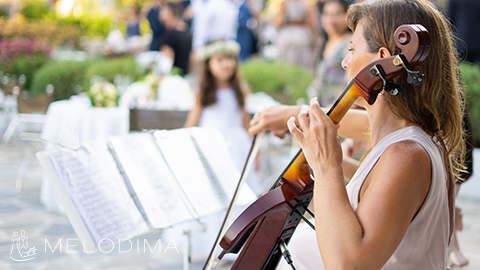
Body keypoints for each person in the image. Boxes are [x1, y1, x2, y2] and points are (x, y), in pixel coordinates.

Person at [248, 0, 465, 268]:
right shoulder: (407, 139)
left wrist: (326, 166)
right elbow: (363, 135)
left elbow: (349, 264)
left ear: (381, 58)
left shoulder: (405, 154)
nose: (345, 61)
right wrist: (311, 137)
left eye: (352, 49)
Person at [183, 39, 255, 255]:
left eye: (230, 59)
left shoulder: (240, 89)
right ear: (209, 64)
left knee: (237, 193)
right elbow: (192, 122)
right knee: (215, 193)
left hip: (237, 149)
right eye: (220, 60)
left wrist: (254, 150)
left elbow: (246, 122)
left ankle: (235, 242)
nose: (226, 64)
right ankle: (213, 243)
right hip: (211, 147)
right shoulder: (203, 91)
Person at [309, 0, 351, 106]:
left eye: (337, 14)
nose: (331, 19)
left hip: (341, 110)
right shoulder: (322, 43)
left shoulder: (351, 44)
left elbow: (351, 83)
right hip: (321, 109)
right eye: (327, 14)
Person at [273, 0, 319, 69]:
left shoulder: (285, 4)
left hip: (289, 36)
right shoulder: (307, 4)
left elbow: (279, 22)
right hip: (304, 36)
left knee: (287, 65)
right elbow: (312, 22)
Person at [159, 2, 193, 75]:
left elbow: (166, 64)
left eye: (162, 11)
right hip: (188, 76)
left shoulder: (169, 36)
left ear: (170, 14)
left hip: (174, 78)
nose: (159, 15)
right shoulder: (188, 31)